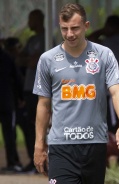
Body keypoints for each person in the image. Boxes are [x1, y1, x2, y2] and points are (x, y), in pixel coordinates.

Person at [33, 3, 119, 184]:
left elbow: (117, 91)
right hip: (61, 146)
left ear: (86, 26)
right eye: (65, 29)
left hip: (94, 144)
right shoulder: (48, 60)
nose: (69, 34)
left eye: (75, 28)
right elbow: (43, 104)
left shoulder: (104, 55)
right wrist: (39, 144)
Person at [88, 15, 119, 134]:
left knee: (112, 129)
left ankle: (115, 152)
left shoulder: (111, 43)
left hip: (111, 90)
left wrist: (102, 31)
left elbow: (89, 40)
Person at [17, 9, 46, 173]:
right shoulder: (32, 40)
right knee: (28, 125)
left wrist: (28, 60)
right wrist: (28, 60)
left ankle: (43, 159)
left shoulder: (46, 39)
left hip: (40, 89)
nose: (28, 21)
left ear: (39, 20)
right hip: (29, 87)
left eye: (31, 18)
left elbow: (35, 62)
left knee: (40, 125)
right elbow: (21, 60)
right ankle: (32, 160)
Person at [0, 43, 24, 173]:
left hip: (6, 101)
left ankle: (13, 161)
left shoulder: (7, 58)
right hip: (6, 101)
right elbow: (17, 78)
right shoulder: (7, 58)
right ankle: (12, 161)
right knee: (9, 133)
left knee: (9, 133)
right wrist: (21, 96)